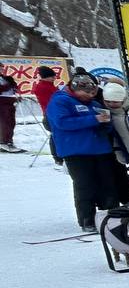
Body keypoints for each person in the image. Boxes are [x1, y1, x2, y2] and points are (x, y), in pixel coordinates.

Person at [45, 75, 119, 231]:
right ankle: (87, 220)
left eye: (93, 93)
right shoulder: (61, 101)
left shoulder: (94, 104)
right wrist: (94, 119)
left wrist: (106, 124)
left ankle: (111, 215)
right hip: (76, 151)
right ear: (76, 89)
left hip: (100, 149)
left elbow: (106, 124)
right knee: (85, 185)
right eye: (87, 93)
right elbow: (61, 122)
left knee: (108, 184)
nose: (90, 96)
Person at [98, 82, 129, 203]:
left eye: (115, 102)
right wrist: (119, 153)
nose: (111, 104)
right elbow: (111, 135)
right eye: (108, 101)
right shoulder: (105, 113)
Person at [0, 73, 18, 152]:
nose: (2, 69)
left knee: (11, 122)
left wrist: (13, 85)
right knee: (4, 123)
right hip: (2, 103)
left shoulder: (5, 78)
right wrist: (8, 85)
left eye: (2, 68)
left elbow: (13, 89)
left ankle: (9, 141)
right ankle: (3, 142)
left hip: (10, 102)